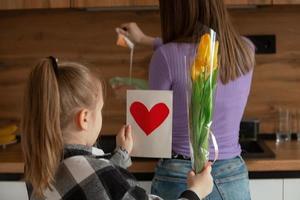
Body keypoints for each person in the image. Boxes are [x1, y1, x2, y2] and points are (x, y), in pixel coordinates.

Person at [117, 0, 255, 199]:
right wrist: (146, 39)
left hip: (180, 176)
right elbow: (197, 51)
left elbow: (153, 128)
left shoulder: (164, 56)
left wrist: (129, 97)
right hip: (232, 174)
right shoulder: (245, 51)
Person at [21, 57, 213, 200]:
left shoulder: (39, 165)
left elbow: (100, 189)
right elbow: (101, 180)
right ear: (85, 118)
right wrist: (195, 192)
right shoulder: (97, 172)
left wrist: (121, 154)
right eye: (100, 109)